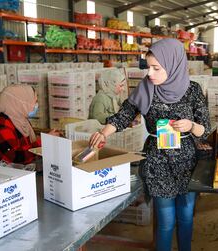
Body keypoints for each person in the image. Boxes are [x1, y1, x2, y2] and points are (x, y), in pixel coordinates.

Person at [89, 38, 211, 251]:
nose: (150, 74)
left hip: (187, 162)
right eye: (148, 68)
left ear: (173, 65)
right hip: (158, 160)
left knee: (186, 216)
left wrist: (191, 126)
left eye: (156, 68)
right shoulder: (146, 88)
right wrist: (103, 132)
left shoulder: (192, 90)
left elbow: (205, 129)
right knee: (165, 220)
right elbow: (124, 114)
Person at [0, 84, 59, 167]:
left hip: (20, 170)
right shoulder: (1, 126)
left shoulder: (21, 121)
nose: (36, 105)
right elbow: (16, 157)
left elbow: (27, 145)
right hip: (0, 174)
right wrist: (45, 141)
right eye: (34, 101)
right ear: (19, 103)